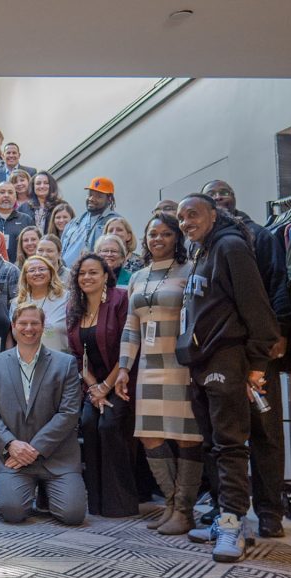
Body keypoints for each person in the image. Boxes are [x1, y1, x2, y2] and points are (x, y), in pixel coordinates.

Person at [176, 194, 279, 562]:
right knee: (212, 444)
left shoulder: (231, 247)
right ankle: (224, 518)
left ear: (214, 214)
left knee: (230, 444)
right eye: (181, 218)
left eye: (193, 214)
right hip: (201, 362)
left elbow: (258, 309)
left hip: (227, 358)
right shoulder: (202, 251)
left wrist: (257, 364)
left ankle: (234, 524)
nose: (186, 222)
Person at [201, 179, 291, 538]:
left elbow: (278, 285)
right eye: (212, 195)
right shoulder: (205, 246)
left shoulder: (259, 237)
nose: (219, 197)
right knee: (223, 435)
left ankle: (269, 510)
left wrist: (278, 333)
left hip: (258, 352)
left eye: (223, 192)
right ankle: (226, 507)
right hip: (221, 355)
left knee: (264, 430)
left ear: (234, 197)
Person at [114, 213, 203, 535]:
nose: (158, 239)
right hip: (149, 367)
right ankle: (171, 504)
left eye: (165, 233)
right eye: (153, 234)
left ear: (177, 237)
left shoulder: (191, 270)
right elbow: (131, 326)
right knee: (150, 435)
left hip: (181, 364)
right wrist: (124, 368)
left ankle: (184, 510)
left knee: (186, 436)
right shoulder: (138, 276)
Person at [0, 303, 86, 525]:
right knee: (13, 513)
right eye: (23, 323)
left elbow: (69, 413)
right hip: (14, 457)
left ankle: (47, 493)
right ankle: (34, 489)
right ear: (13, 326)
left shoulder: (65, 363)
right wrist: (11, 444)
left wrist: (35, 449)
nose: (29, 328)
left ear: (43, 326)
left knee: (73, 515)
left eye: (34, 323)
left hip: (57, 456)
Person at [66, 253, 136, 518]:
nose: (87, 277)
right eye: (82, 273)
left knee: (108, 426)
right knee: (89, 423)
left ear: (106, 275)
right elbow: (77, 355)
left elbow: (128, 344)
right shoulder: (75, 306)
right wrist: (94, 388)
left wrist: (106, 386)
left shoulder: (120, 299)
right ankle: (96, 503)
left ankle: (121, 503)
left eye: (93, 272)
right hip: (93, 384)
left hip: (121, 380)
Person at [11, 255, 70, 353]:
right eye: (32, 270)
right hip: (26, 359)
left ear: (51, 273)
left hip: (59, 359)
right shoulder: (17, 303)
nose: (37, 273)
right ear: (25, 276)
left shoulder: (66, 298)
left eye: (42, 269)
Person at [60, 177, 119, 269]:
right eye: (90, 194)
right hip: (65, 273)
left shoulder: (114, 222)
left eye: (98, 196)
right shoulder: (75, 222)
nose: (91, 199)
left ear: (109, 199)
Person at [0, 182, 35, 263]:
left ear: (15, 198)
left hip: (20, 267)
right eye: (2, 192)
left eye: (10, 192)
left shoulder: (26, 220)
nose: (6, 195)